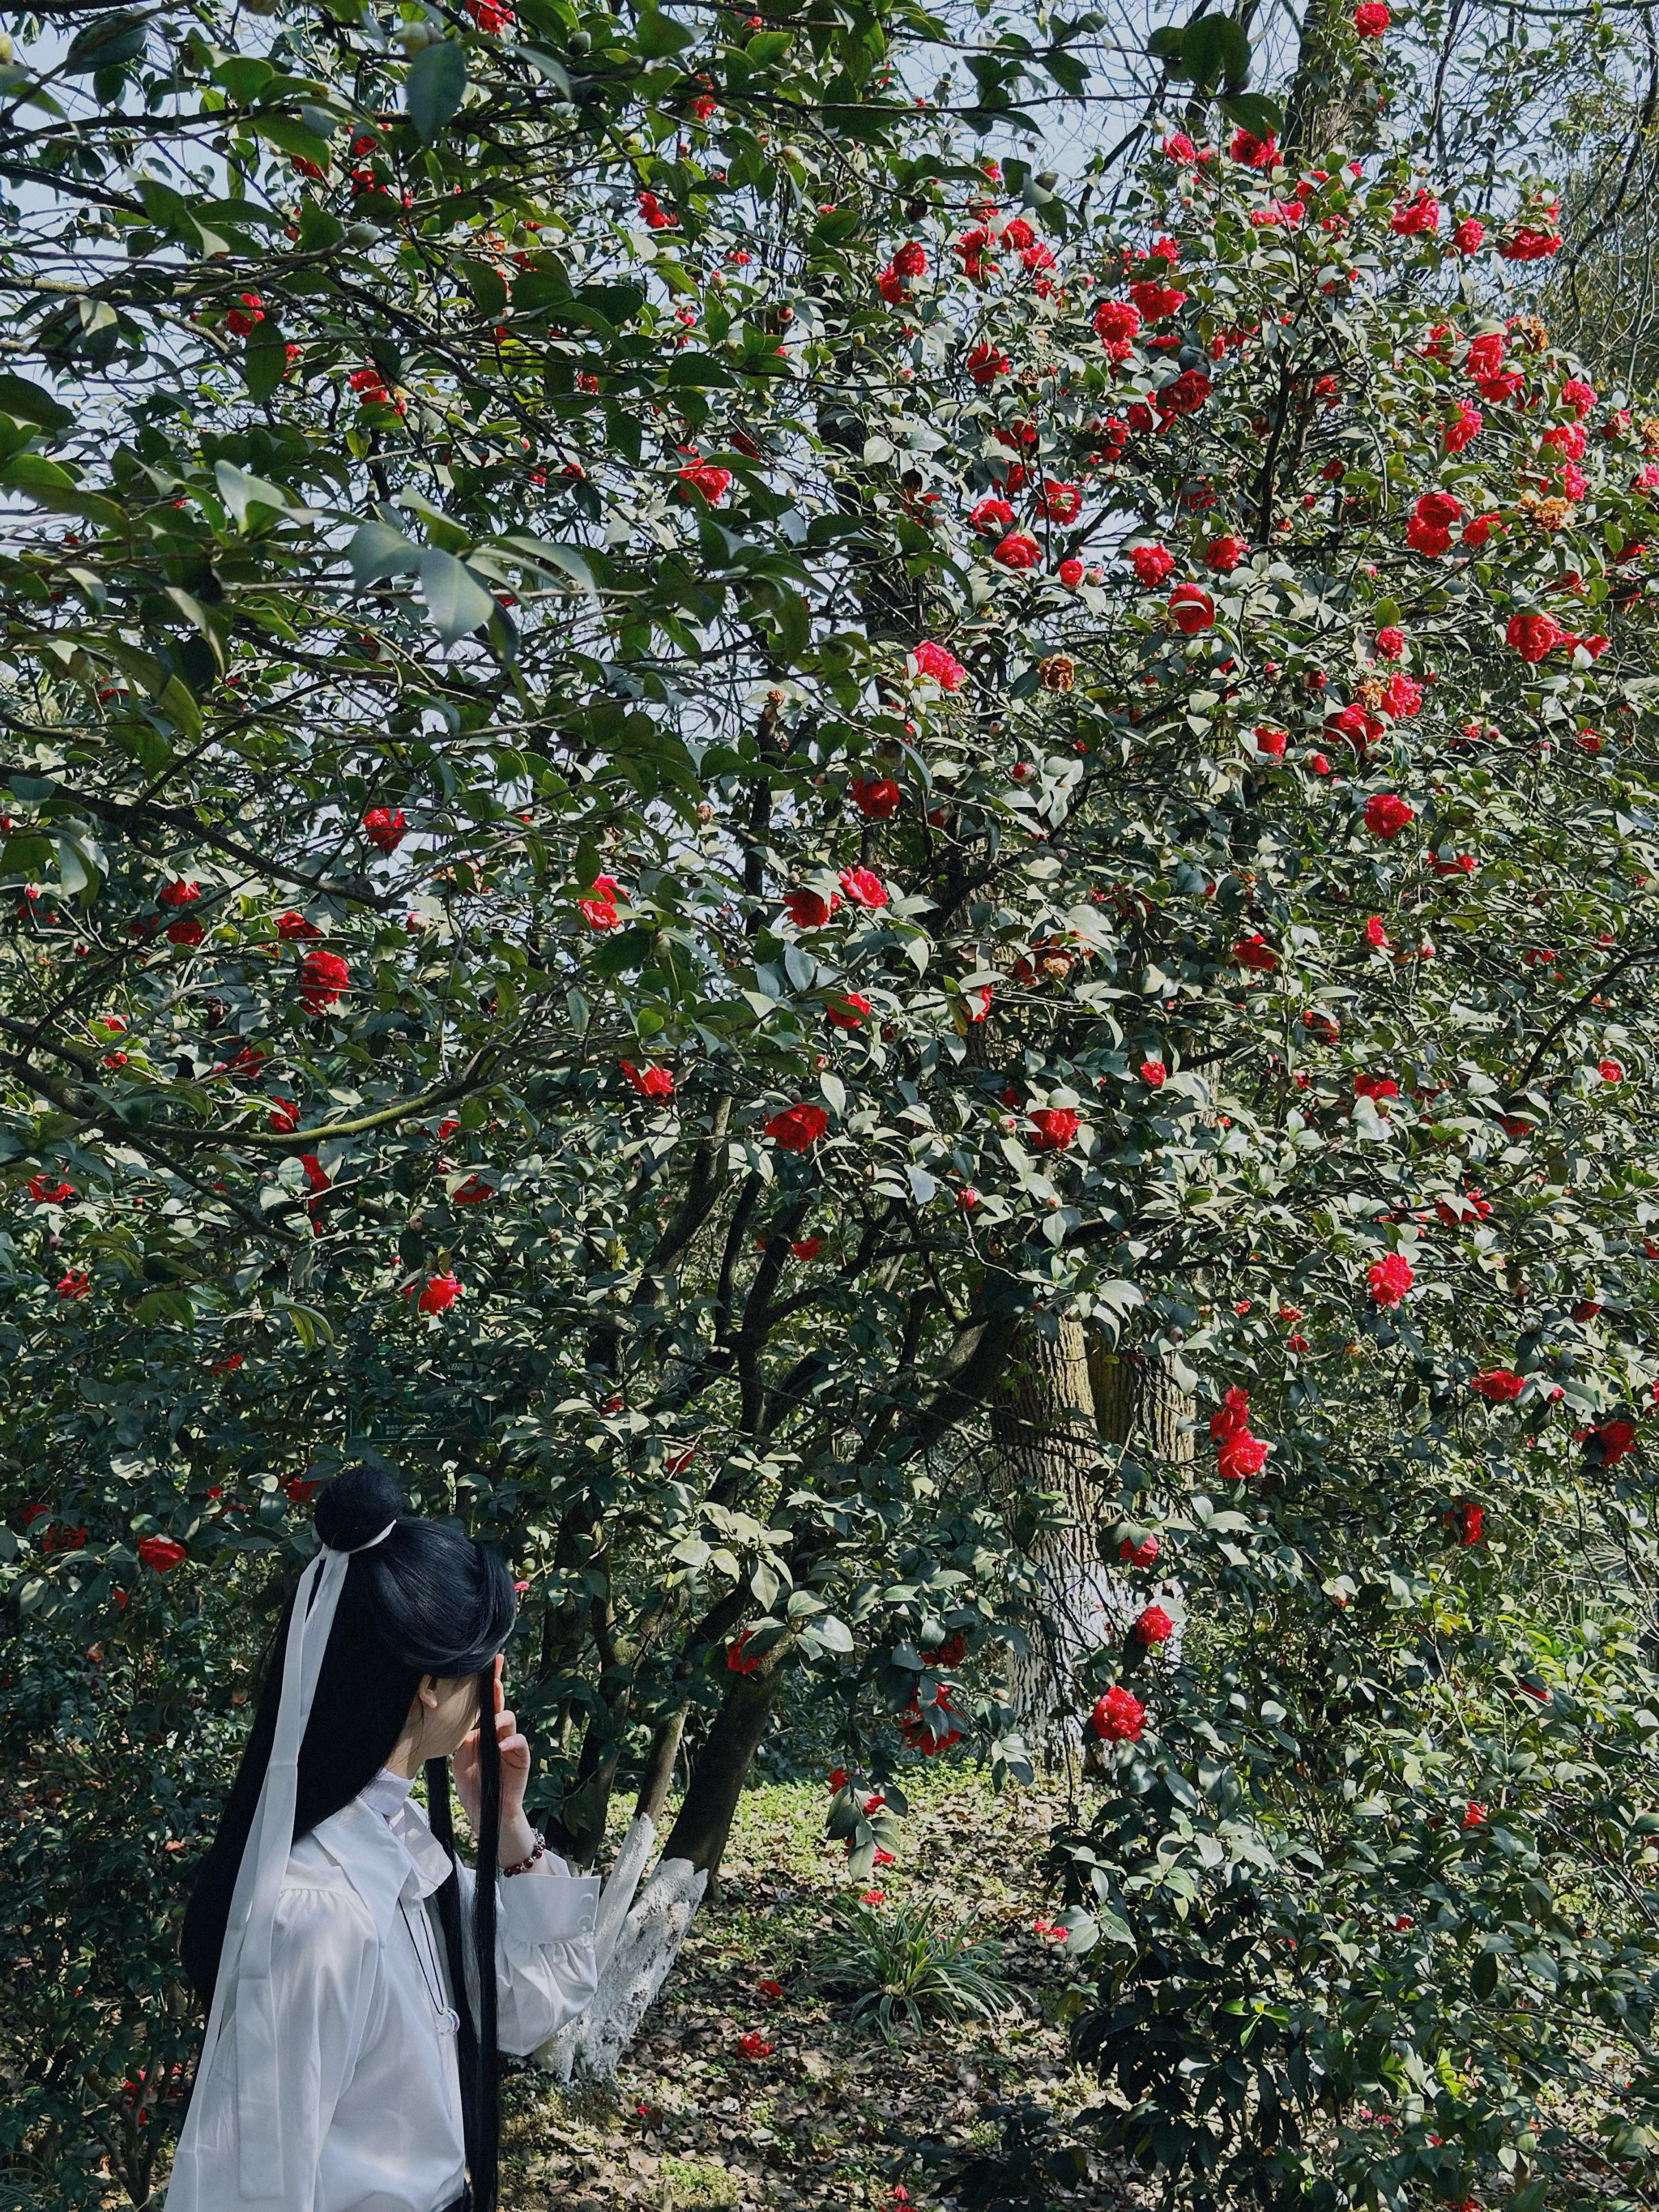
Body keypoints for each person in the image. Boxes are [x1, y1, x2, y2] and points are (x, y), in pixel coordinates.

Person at [165, 1458, 601, 2212]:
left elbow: (530, 2010)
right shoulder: (316, 1909)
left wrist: (503, 1827)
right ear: (428, 1685)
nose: (496, 1683)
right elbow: (247, 2188)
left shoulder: (396, 1842)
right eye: (483, 1665)